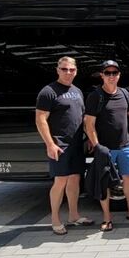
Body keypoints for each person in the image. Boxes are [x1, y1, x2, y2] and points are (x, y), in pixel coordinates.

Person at [83, 60, 129, 232]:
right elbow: (89, 124)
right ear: (102, 75)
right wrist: (97, 145)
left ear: (119, 75)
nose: (111, 76)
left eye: (115, 73)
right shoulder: (95, 96)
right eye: (108, 73)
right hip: (106, 149)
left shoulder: (124, 94)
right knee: (105, 182)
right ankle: (107, 218)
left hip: (126, 146)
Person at [35, 56, 91, 235]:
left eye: (71, 70)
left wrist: (89, 137)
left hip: (76, 144)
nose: (68, 72)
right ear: (57, 70)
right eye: (64, 69)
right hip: (59, 144)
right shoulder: (48, 91)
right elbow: (40, 119)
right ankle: (55, 220)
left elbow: (82, 118)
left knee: (75, 179)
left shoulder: (77, 91)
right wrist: (50, 144)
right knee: (60, 181)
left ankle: (74, 216)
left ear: (76, 71)